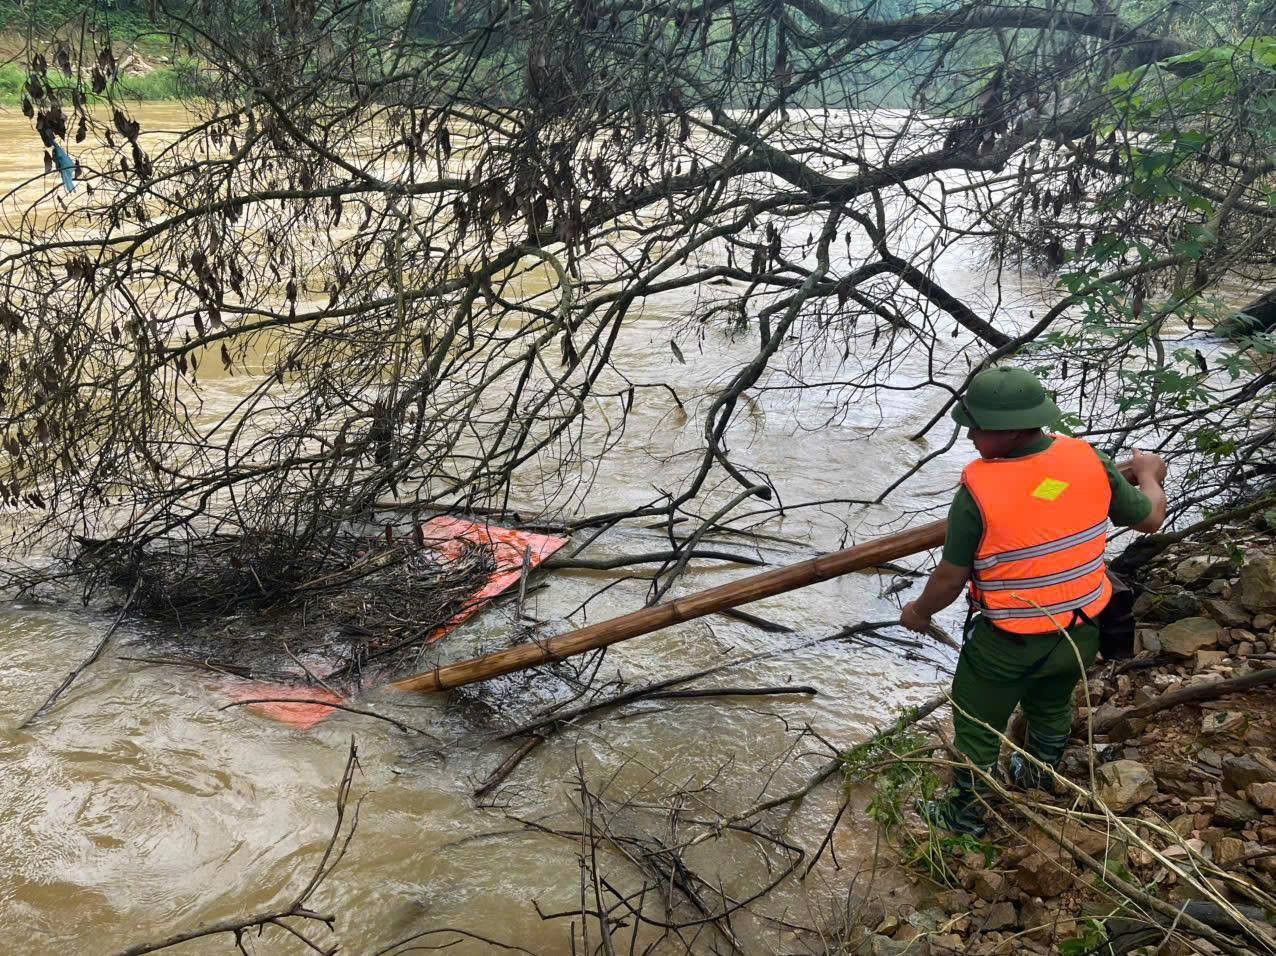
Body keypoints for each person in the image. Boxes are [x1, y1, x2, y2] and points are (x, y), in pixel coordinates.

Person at [899, 367, 1167, 836]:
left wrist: (919, 612)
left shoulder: (977, 493)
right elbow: (1150, 518)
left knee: (976, 725)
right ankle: (1038, 774)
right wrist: (1148, 474)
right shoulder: (1088, 459)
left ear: (1010, 431)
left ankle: (965, 816)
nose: (971, 436)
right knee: (1051, 704)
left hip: (1007, 642)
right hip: (1080, 630)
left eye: (977, 428)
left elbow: (949, 578)